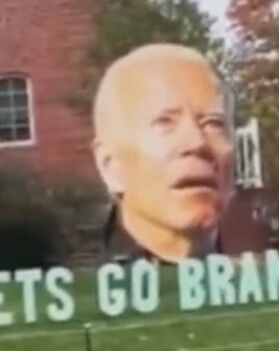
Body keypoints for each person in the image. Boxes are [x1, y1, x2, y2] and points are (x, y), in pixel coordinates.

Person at [91, 43, 234, 263]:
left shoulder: (271, 289)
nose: (197, 143)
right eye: (165, 122)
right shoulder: (80, 294)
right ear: (110, 166)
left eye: (213, 123)